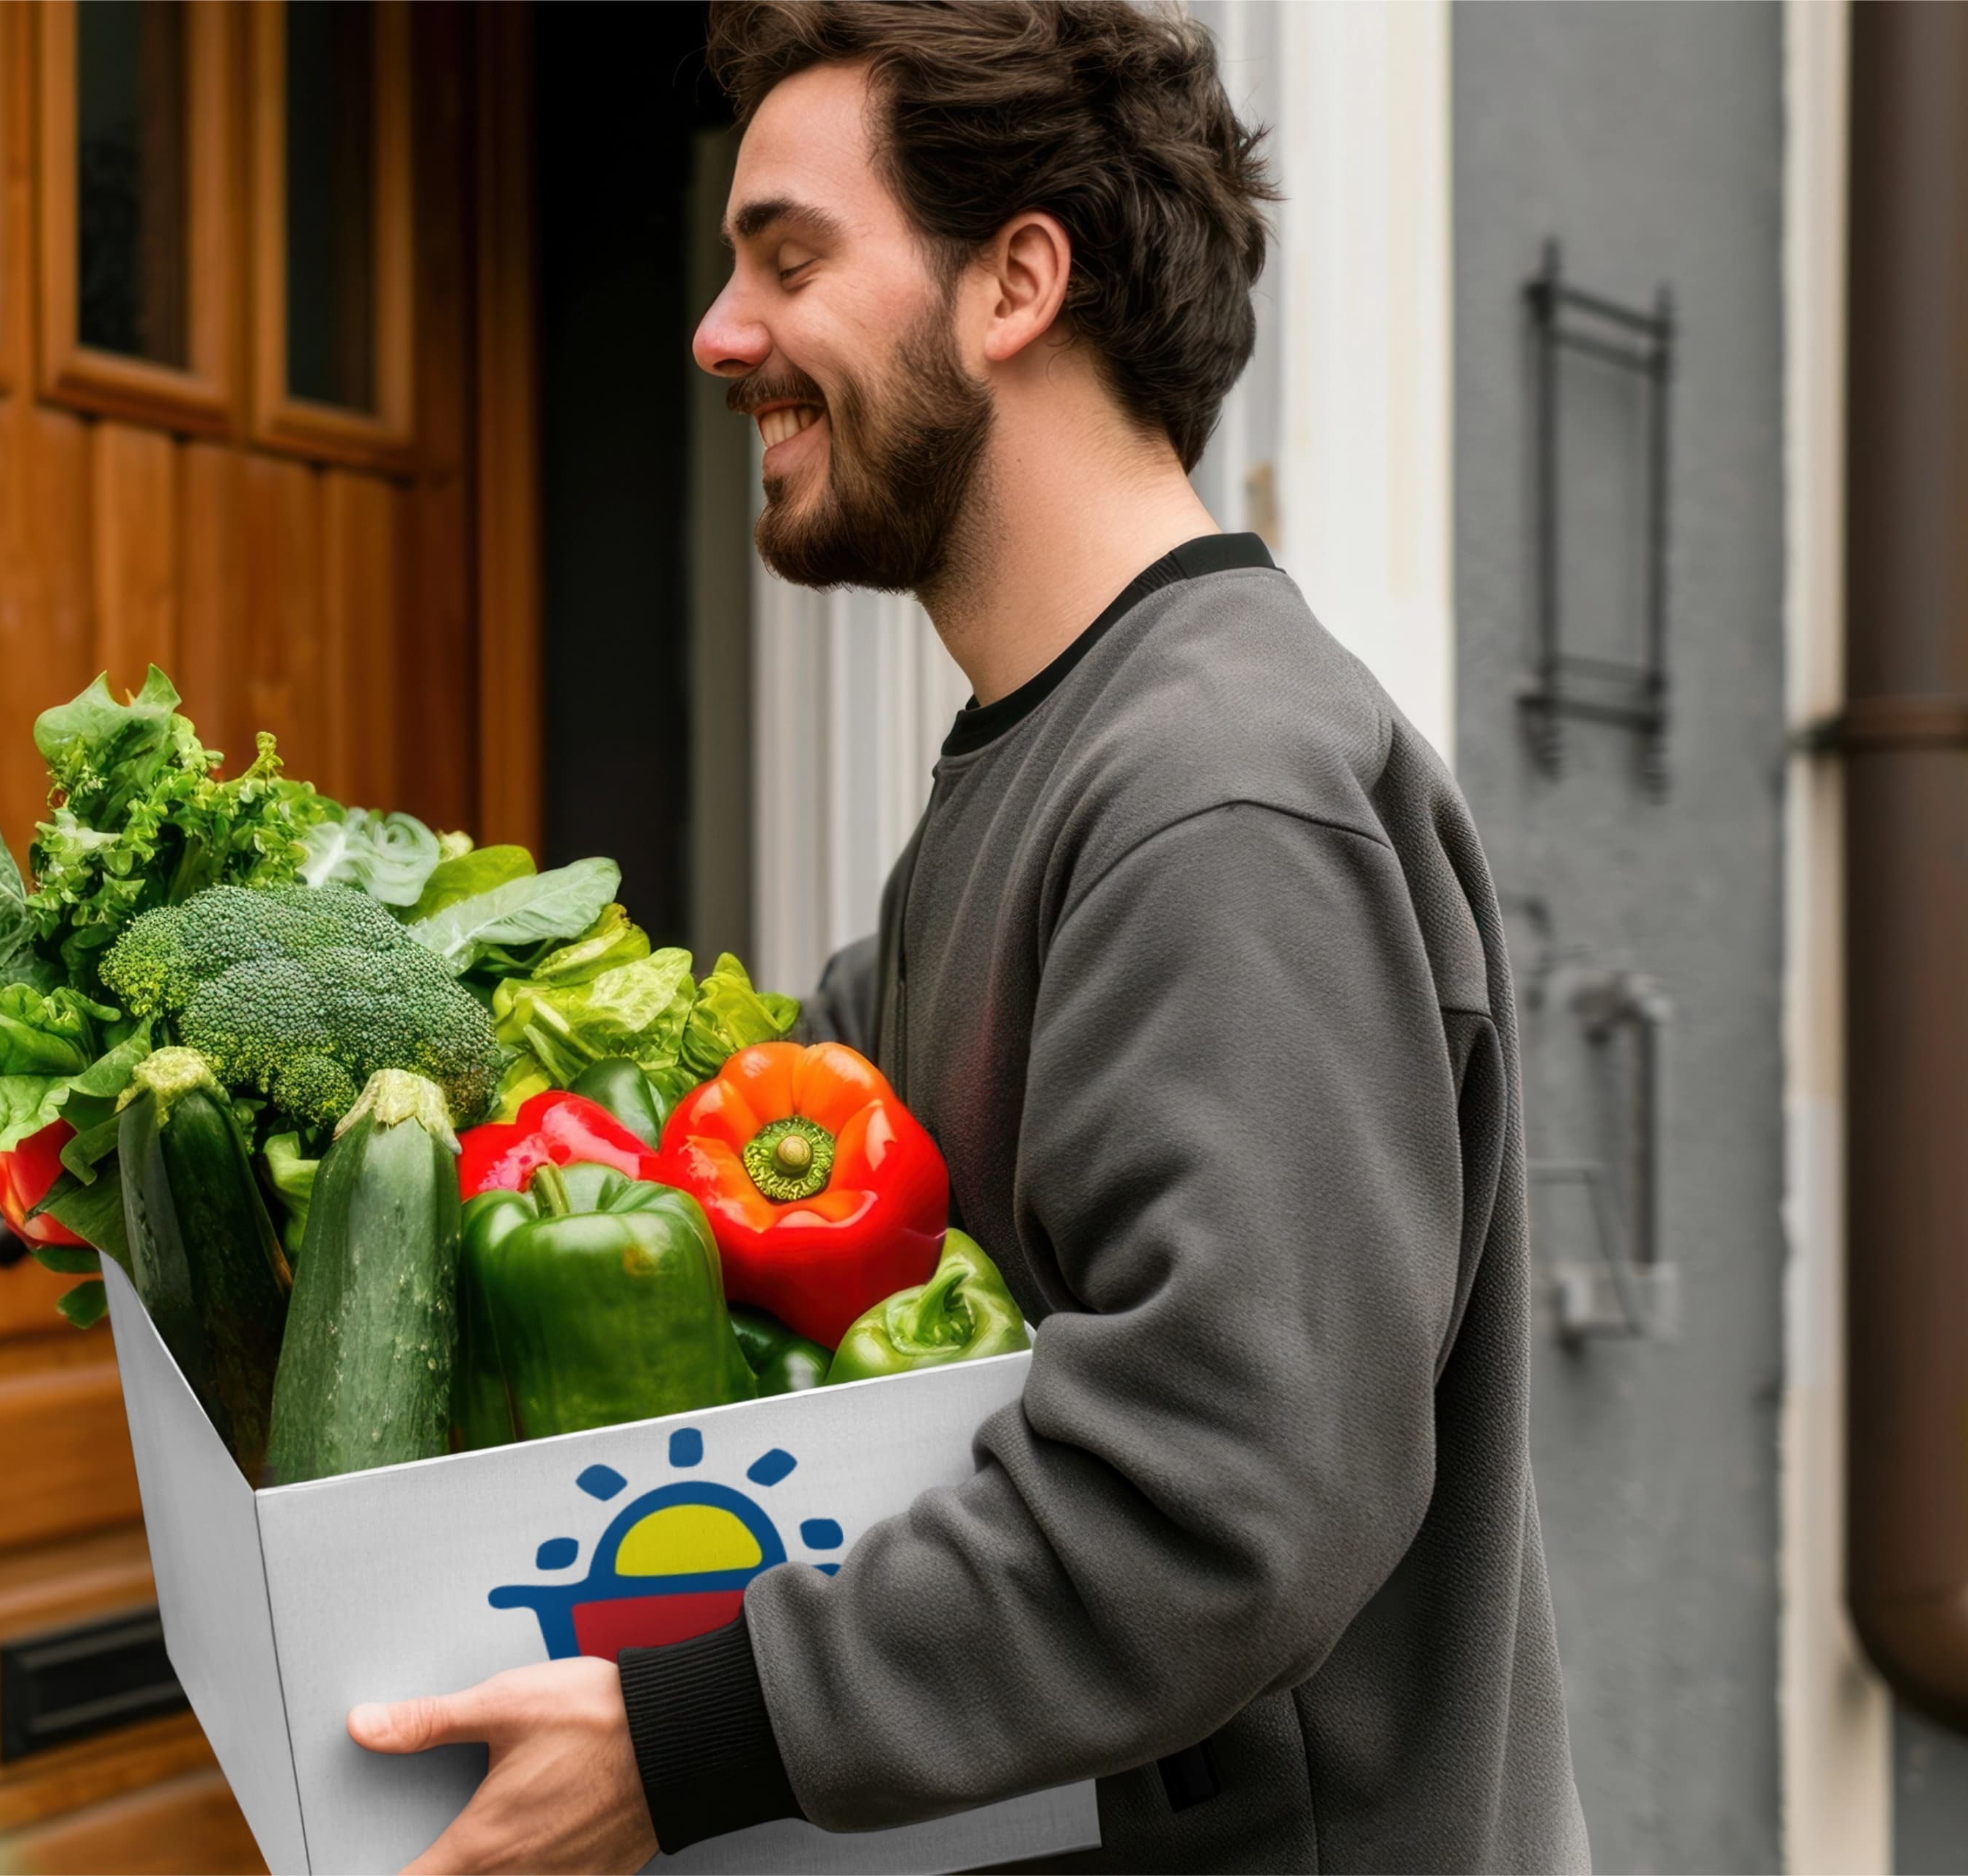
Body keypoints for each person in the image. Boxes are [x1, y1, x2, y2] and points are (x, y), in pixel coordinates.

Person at [349, 4, 1590, 1869]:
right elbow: (770, 1144)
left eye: (789, 256)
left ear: (1016, 282)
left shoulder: (1219, 795)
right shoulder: (1053, 762)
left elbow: (1220, 1504)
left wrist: (686, 1733)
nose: (718, 334)